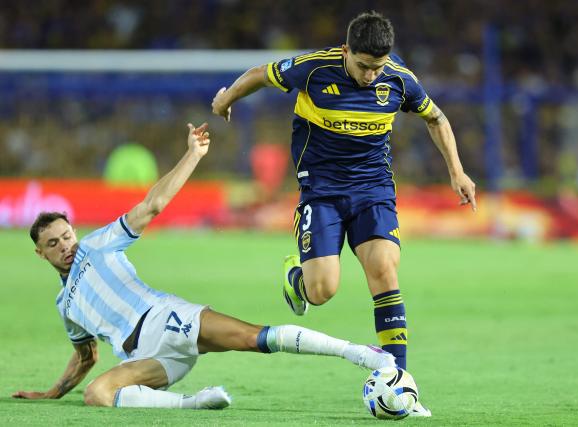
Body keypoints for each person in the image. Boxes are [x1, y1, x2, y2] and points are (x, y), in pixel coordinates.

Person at [12, 122, 395, 410]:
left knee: (254, 338)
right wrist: (52, 391)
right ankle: (194, 402)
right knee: (96, 393)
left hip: (166, 318)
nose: (65, 246)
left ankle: (358, 353)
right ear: (40, 254)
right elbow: (86, 357)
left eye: (66, 236)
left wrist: (193, 154)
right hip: (146, 360)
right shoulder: (65, 306)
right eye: (53, 243)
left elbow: (152, 206)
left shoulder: (97, 244)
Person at [211, 11, 477, 417]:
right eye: (365, 66)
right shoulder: (313, 68)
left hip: (374, 192)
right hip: (322, 192)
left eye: (378, 67)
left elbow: (435, 118)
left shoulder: (400, 79)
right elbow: (261, 73)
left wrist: (456, 171)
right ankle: (296, 277)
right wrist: (227, 99)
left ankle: (399, 382)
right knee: (322, 292)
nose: (372, 75)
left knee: (385, 270)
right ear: (347, 50)